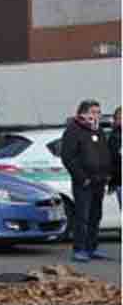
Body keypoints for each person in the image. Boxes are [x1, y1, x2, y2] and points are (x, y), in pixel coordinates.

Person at [60, 100, 110, 262]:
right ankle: (79, 249)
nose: (97, 115)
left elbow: (104, 153)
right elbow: (68, 157)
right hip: (84, 182)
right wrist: (82, 177)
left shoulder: (98, 130)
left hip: (99, 180)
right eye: (94, 112)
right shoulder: (73, 130)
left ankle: (92, 247)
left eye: (98, 112)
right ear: (83, 113)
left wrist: (106, 174)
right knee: (83, 215)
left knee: (96, 215)